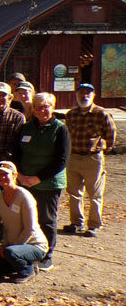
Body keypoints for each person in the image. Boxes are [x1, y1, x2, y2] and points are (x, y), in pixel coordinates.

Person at [14, 92, 69, 271]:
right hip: (25, 181)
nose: (43, 110)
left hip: (48, 184)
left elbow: (62, 160)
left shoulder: (60, 129)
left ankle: (47, 255)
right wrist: (20, 176)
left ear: (52, 107)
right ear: (34, 110)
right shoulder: (26, 128)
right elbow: (16, 153)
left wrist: (37, 178)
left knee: (46, 220)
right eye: (39, 107)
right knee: (27, 218)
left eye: (47, 106)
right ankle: (29, 250)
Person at [63, 83, 117, 238]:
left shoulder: (101, 114)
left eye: (88, 93)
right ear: (76, 95)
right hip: (73, 157)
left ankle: (93, 225)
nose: (84, 96)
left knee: (94, 194)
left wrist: (102, 149)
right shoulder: (71, 114)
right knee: (73, 193)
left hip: (92, 158)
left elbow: (111, 135)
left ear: (93, 96)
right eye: (81, 93)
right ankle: (76, 223)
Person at [0, 161, 47, 284]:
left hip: (34, 245)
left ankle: (28, 269)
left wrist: (11, 247)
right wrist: (4, 245)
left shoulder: (25, 197)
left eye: (6, 174)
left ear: (14, 176)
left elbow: (30, 229)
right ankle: (14, 264)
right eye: (0, 174)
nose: (2, 177)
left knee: (11, 253)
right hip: (12, 245)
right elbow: (5, 225)